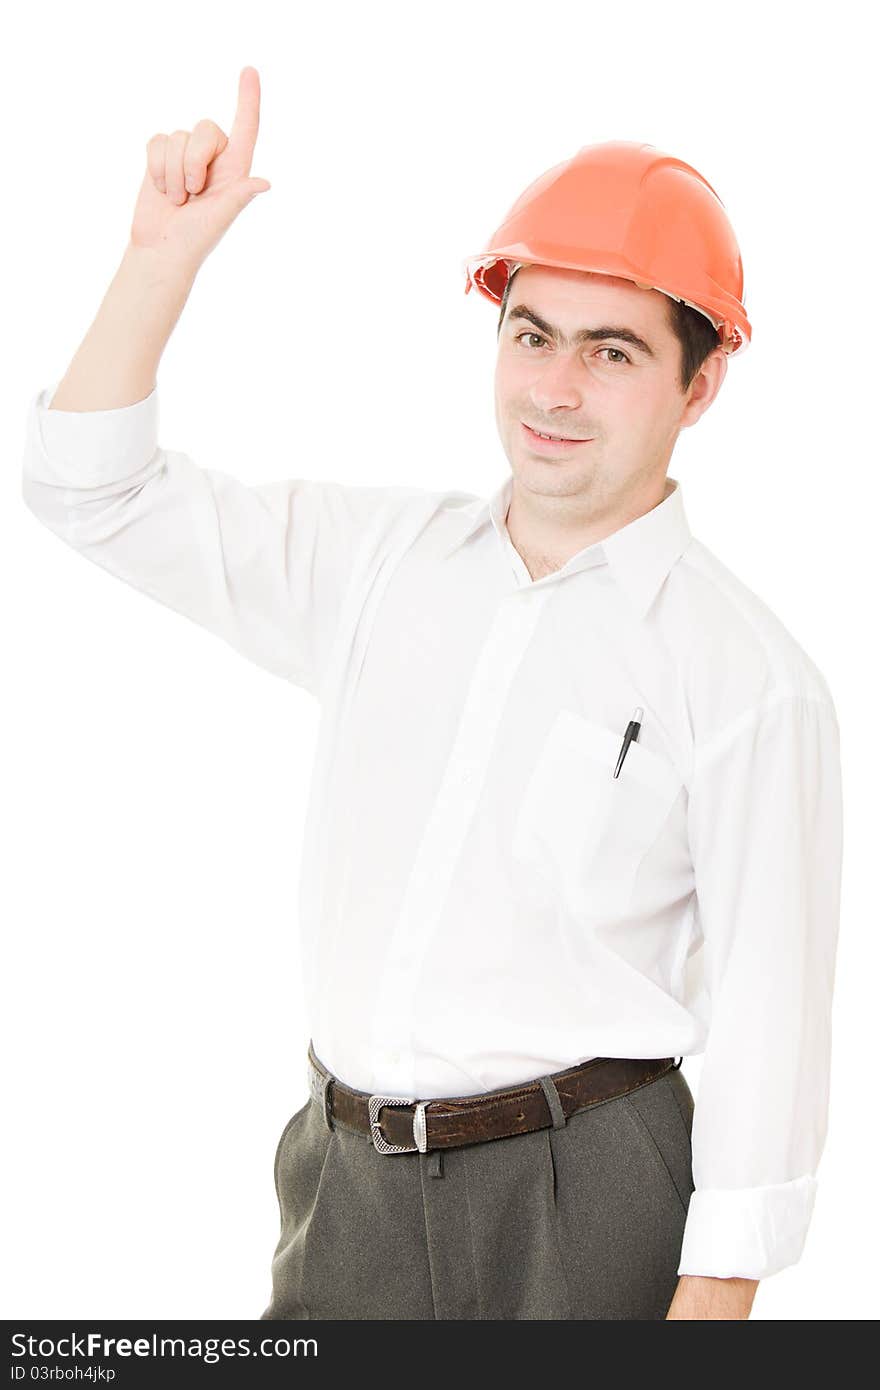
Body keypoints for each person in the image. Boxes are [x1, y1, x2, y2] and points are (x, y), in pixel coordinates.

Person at [21, 67, 843, 1322]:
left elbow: (770, 1029)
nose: (553, 390)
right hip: (343, 1182)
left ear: (701, 381)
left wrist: (712, 1306)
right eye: (531, 335)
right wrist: (158, 261)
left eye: (610, 351)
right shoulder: (372, 566)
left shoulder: (747, 677)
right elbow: (94, 493)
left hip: (589, 1191)